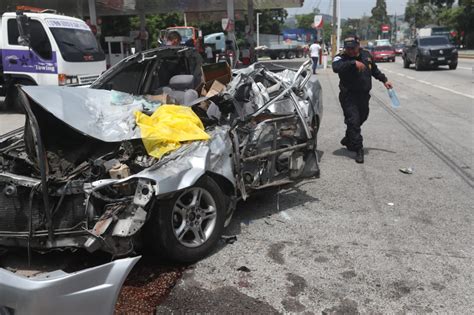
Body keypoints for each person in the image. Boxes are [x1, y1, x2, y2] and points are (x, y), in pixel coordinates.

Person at [332, 36, 393, 164]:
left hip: (364, 95)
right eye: (348, 49)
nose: (351, 51)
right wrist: (353, 62)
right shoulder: (341, 57)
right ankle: (358, 149)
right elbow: (335, 67)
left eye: (353, 48)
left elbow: (374, 70)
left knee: (362, 118)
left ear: (358, 45)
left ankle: (349, 137)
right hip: (348, 96)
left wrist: (384, 80)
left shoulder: (366, 55)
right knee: (353, 121)